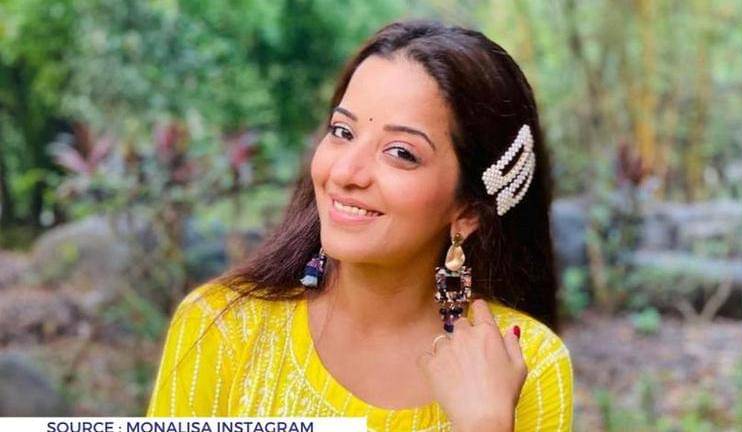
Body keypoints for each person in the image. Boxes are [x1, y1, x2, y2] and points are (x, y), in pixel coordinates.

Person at [147, 19, 574, 431]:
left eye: (400, 153)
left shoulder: (523, 364)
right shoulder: (223, 325)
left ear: (468, 211)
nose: (345, 172)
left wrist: (484, 424)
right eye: (342, 132)